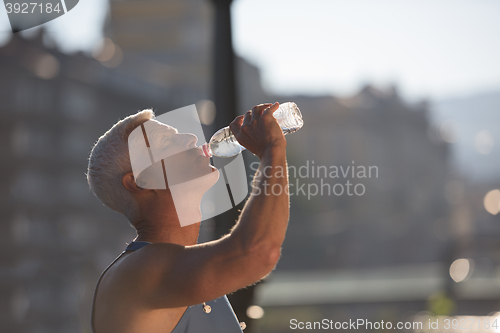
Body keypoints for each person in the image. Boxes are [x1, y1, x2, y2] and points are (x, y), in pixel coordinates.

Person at [86, 102, 290, 333]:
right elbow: (258, 252)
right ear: (138, 182)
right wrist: (272, 148)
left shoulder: (177, 266)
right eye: (166, 142)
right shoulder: (139, 272)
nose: (191, 138)